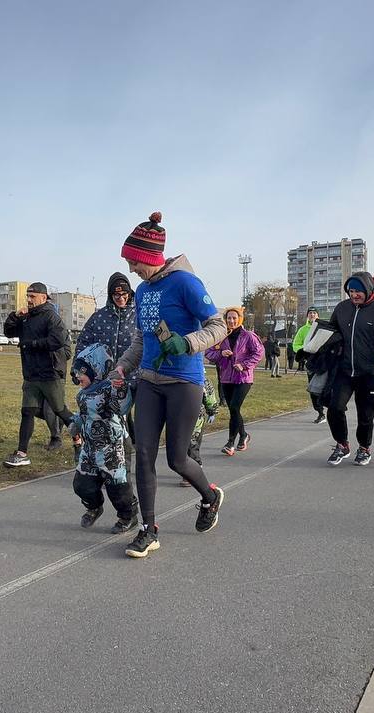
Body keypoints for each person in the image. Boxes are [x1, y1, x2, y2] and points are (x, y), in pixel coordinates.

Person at [109, 212, 228, 558]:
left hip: (184, 382)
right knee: (143, 453)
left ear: (148, 257)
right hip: (149, 381)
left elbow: (218, 326)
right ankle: (149, 531)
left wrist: (188, 343)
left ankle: (210, 497)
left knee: (177, 459)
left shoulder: (186, 283)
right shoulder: (143, 290)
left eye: (133, 261)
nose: (131, 269)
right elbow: (141, 339)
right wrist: (122, 366)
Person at [324, 272, 374, 466]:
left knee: (365, 415)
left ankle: (364, 447)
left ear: (368, 289)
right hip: (344, 370)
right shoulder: (342, 308)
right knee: (334, 408)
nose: (354, 295)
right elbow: (331, 332)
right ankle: (342, 444)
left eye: (358, 291)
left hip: (370, 372)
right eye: (351, 291)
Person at [68, 343, 138, 534]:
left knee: (117, 486)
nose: (76, 377)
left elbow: (123, 406)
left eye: (80, 373)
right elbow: (84, 415)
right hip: (90, 447)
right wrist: (76, 423)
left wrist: (121, 388)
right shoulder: (82, 394)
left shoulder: (110, 387)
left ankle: (127, 515)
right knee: (82, 484)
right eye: (75, 373)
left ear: (94, 370)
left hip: (113, 447)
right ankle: (94, 506)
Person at [2, 282, 74, 467]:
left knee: (60, 411)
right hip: (31, 374)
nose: (29, 300)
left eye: (32, 296)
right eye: (27, 296)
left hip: (50, 373)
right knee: (27, 411)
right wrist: (14, 316)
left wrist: (33, 344)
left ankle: (81, 438)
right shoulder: (26, 318)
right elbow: (8, 332)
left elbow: (57, 340)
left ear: (43, 297)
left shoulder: (52, 317)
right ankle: (21, 452)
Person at [76, 272, 138, 443]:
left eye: (124, 294)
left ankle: (141, 458)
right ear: (111, 296)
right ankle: (122, 464)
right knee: (117, 422)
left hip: (136, 378)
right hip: (109, 380)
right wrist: (80, 371)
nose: (121, 298)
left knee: (138, 423)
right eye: (116, 295)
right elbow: (83, 343)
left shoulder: (138, 315)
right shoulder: (99, 317)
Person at [205, 307, 264, 456]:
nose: (232, 321)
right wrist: (220, 354)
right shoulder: (221, 335)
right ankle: (243, 435)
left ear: (240, 319)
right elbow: (208, 352)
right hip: (226, 377)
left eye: (234, 318)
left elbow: (258, 353)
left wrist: (244, 365)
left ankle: (230, 443)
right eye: (229, 318)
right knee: (233, 409)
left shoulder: (248, 336)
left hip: (243, 378)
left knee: (234, 407)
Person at [182, 378, 220, 484]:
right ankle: (187, 467)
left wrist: (212, 411)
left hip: (196, 416)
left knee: (192, 443)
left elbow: (209, 394)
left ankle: (194, 469)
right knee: (180, 444)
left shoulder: (200, 378)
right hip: (177, 415)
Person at [292, 308, 325, 420]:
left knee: (326, 387)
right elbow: (295, 345)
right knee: (313, 388)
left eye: (314, 313)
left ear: (318, 316)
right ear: (307, 316)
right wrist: (304, 350)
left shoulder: (324, 328)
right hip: (311, 363)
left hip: (324, 362)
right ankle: (320, 412)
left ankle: (332, 408)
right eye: (310, 313)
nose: (312, 315)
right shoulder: (302, 330)